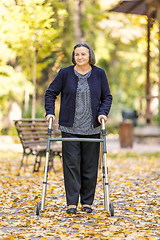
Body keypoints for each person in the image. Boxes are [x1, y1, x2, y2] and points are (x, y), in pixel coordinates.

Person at [45, 42, 112, 214]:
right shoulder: (65, 73)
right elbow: (50, 92)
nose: (80, 57)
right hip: (70, 128)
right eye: (77, 54)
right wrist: (50, 112)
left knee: (90, 166)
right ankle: (72, 203)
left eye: (83, 54)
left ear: (90, 55)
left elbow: (107, 97)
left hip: (92, 128)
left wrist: (103, 113)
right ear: (73, 56)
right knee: (71, 165)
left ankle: (87, 202)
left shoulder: (99, 74)